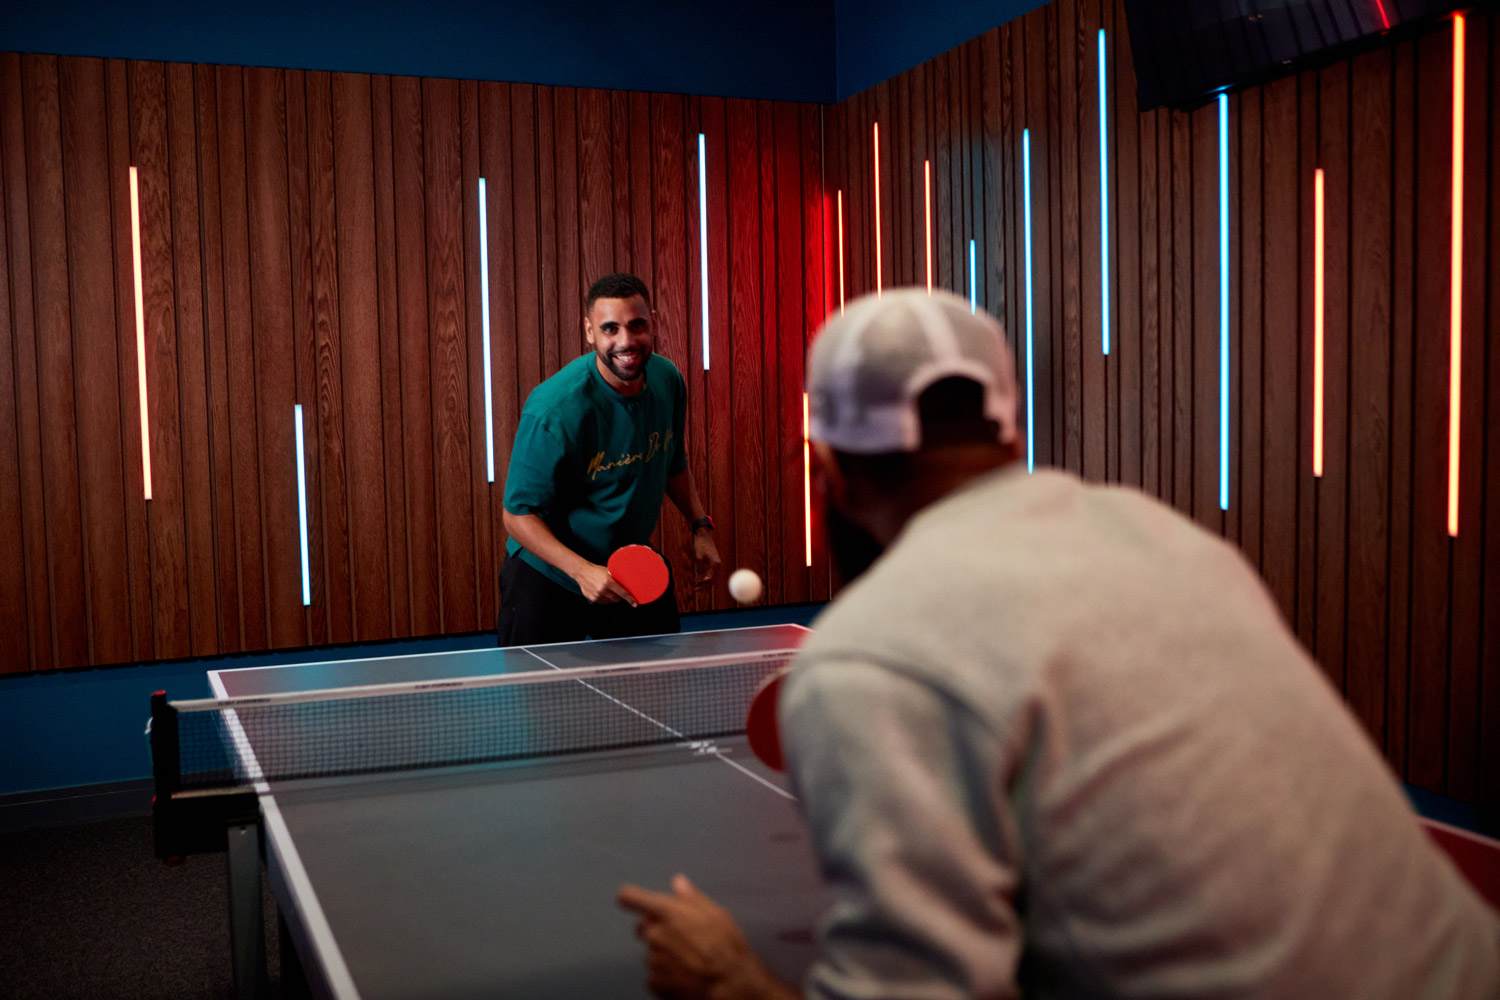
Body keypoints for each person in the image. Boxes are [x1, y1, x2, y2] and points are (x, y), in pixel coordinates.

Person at [618, 289, 1500, 999]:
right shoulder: (1169, 538)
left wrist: (733, 982)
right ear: (1013, 436)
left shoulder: (869, 660)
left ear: (830, 469)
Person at [498, 272, 720, 646]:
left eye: (637, 326)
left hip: (629, 568)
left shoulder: (667, 381)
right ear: (590, 332)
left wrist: (700, 526)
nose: (626, 341)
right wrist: (582, 571)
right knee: (540, 701)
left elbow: (672, 462)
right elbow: (517, 515)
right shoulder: (555, 408)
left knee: (650, 694)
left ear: (653, 321)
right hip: (549, 574)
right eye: (610, 329)